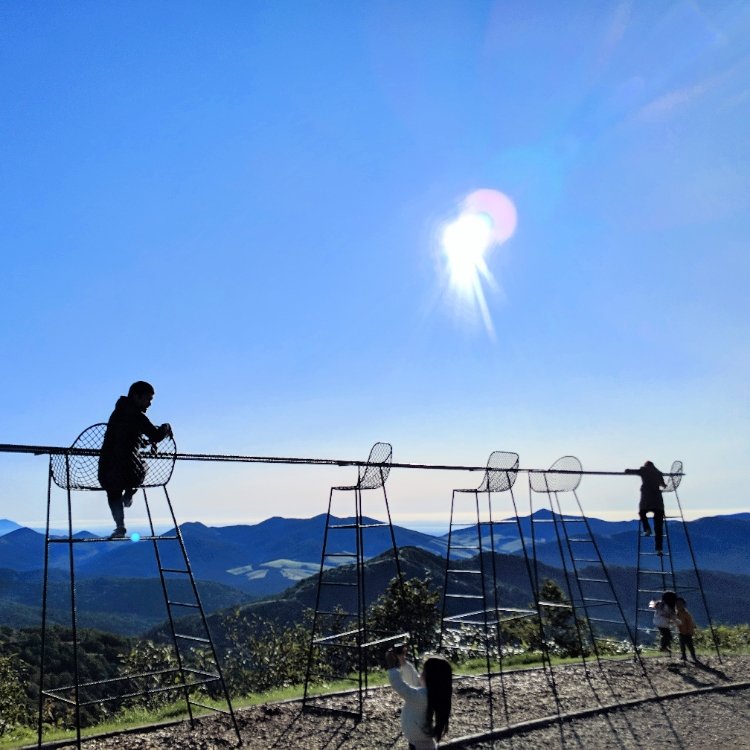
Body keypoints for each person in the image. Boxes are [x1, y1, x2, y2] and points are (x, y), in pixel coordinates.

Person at [98, 381, 172, 539]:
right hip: (129, 472)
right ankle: (130, 492)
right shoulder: (137, 416)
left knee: (113, 492)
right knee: (143, 466)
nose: (150, 403)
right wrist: (166, 427)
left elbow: (126, 438)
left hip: (105, 472)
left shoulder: (117, 413)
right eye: (147, 399)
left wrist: (141, 443)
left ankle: (120, 526)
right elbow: (156, 435)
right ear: (136, 396)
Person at [386, 645, 452, 750]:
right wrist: (402, 660)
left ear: (429, 677)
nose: (419, 674)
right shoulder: (431, 693)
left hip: (420, 745)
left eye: (423, 671)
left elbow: (401, 687)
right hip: (420, 742)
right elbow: (414, 681)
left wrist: (392, 668)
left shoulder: (422, 696)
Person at [626, 461, 667, 554]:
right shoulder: (658, 473)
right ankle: (659, 549)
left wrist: (627, 470)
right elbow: (663, 485)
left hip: (647, 500)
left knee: (642, 513)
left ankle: (647, 529)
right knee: (658, 528)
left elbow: (632, 471)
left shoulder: (644, 470)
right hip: (658, 502)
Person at [649, 590, 678, 654]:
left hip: (658, 621)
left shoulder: (661, 604)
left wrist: (654, 601)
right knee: (667, 635)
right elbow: (671, 615)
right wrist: (676, 621)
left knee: (666, 635)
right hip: (663, 623)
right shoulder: (667, 607)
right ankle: (663, 647)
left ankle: (664, 647)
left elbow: (652, 605)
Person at [675, 597, 699, 663]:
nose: (678, 606)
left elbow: (690, 623)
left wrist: (689, 631)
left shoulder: (686, 614)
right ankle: (684, 656)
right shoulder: (677, 613)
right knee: (682, 644)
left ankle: (693, 656)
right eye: (677, 604)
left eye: (680, 604)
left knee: (689, 645)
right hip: (681, 631)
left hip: (687, 632)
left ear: (683, 605)